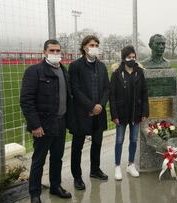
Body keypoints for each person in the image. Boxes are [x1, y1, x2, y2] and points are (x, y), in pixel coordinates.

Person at [20, 39, 72, 203]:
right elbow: (26, 101)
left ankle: (55, 186)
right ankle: (35, 193)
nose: (55, 54)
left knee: (57, 157)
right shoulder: (34, 71)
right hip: (43, 125)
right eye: (52, 50)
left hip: (60, 122)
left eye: (58, 51)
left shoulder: (64, 71)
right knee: (39, 160)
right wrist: (35, 125)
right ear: (44, 52)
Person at [69, 35, 110, 190]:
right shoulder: (75, 66)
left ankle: (95, 170)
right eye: (92, 44)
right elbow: (75, 90)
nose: (95, 47)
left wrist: (100, 105)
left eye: (97, 44)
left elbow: (107, 87)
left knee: (97, 143)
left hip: (99, 113)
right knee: (77, 146)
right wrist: (91, 106)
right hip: (82, 114)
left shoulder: (101, 66)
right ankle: (77, 176)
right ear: (84, 47)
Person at [109, 45, 149, 181]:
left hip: (135, 114)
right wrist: (114, 115)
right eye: (129, 57)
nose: (132, 59)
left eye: (133, 57)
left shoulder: (140, 72)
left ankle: (131, 164)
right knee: (119, 140)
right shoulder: (116, 73)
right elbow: (112, 96)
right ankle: (117, 166)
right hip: (121, 114)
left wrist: (144, 111)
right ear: (123, 58)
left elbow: (144, 93)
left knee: (133, 139)